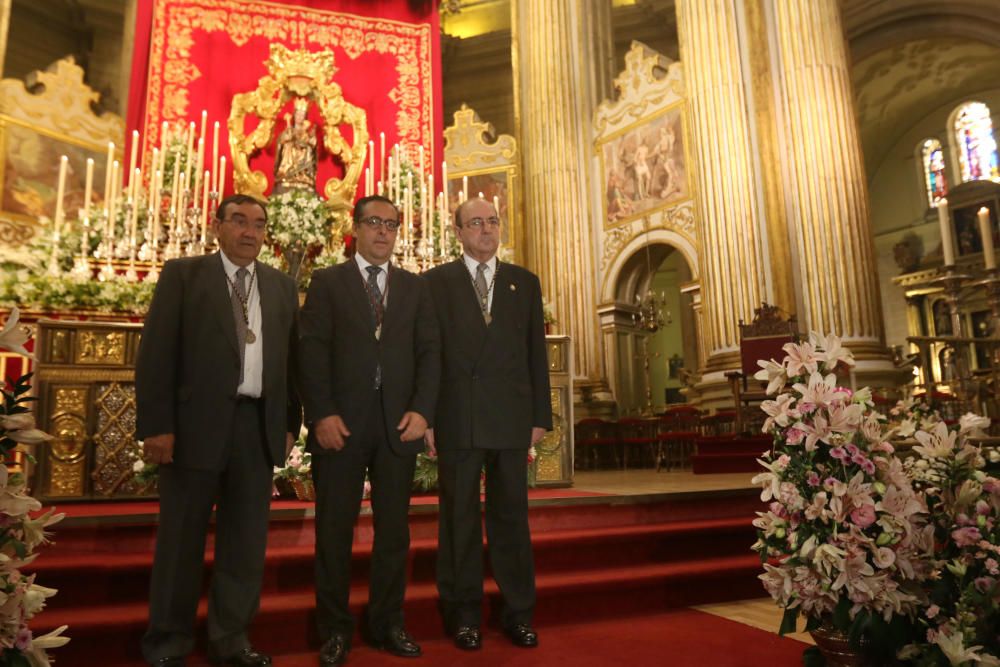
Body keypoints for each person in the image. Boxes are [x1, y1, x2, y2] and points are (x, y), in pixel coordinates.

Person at [136, 194, 301, 667]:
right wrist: (158, 427)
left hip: (256, 427)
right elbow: (156, 356)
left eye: (259, 224)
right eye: (240, 221)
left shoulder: (281, 286)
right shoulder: (184, 275)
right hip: (192, 429)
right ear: (218, 226)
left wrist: (290, 423)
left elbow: (292, 363)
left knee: (245, 543)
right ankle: (168, 641)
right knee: (180, 542)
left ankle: (231, 640)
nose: (250, 232)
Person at [298, 195, 440, 666]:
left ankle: (387, 624)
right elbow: (311, 353)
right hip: (341, 426)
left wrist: (423, 412)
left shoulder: (415, 288)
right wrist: (320, 414)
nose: (383, 232)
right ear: (355, 228)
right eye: (374, 223)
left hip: (399, 427)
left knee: (394, 533)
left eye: (391, 225)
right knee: (334, 532)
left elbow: (429, 355)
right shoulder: (327, 281)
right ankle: (335, 631)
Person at [423, 197, 552, 652]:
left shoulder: (524, 282)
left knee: (511, 520)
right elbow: (429, 355)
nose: (485, 229)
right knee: (457, 520)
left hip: (511, 416)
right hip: (457, 416)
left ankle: (518, 613)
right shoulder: (435, 283)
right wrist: (428, 416)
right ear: (457, 231)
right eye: (475, 223)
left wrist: (540, 416)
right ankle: (463, 615)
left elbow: (537, 353)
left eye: (492, 221)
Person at [274, 97, 318, 193]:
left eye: (302, 115)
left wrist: (309, 139)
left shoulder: (307, 132)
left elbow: (313, 143)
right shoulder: (288, 129)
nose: (299, 117)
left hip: (303, 157)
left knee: (308, 149)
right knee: (288, 145)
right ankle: (287, 171)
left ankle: (303, 174)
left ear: (305, 117)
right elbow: (283, 140)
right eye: (298, 115)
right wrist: (288, 125)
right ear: (294, 115)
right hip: (289, 157)